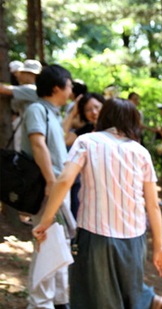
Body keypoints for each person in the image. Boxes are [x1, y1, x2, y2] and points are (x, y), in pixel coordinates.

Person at [32, 98, 162, 309]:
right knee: (130, 299)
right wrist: (159, 247)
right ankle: (153, 302)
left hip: (96, 236)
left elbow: (64, 181)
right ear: (133, 122)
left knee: (93, 299)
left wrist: (46, 220)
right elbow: (153, 205)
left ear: (105, 116)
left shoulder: (87, 142)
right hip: (135, 239)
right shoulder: (140, 152)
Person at [20, 64, 77, 309]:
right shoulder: (36, 109)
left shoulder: (52, 113)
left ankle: (59, 300)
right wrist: (52, 184)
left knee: (59, 244)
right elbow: (38, 144)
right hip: (47, 188)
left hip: (56, 189)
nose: (72, 88)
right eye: (69, 83)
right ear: (57, 87)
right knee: (46, 245)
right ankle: (40, 303)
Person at [62, 92, 105, 219]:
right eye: (88, 110)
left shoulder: (118, 129)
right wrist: (73, 112)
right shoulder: (85, 130)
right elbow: (62, 139)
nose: (94, 112)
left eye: (97, 107)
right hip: (87, 186)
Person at [0, 59, 42, 151]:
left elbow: (3, 89)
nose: (19, 76)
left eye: (23, 73)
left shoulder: (31, 89)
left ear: (30, 74)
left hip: (29, 127)